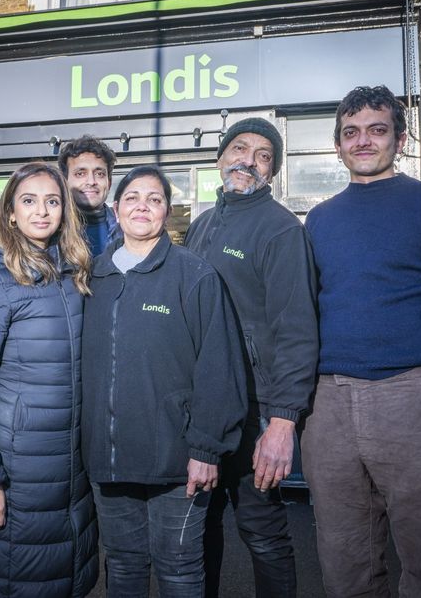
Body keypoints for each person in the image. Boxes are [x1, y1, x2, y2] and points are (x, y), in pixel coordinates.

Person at [302, 85, 421, 597]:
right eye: (351, 133)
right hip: (330, 406)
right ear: (338, 144)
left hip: (411, 399)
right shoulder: (319, 220)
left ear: (400, 139)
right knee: (345, 567)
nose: (363, 141)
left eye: (376, 130)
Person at [82, 165, 247, 597]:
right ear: (115, 210)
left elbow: (221, 369)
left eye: (154, 199)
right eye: (132, 197)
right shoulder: (90, 279)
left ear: (167, 212)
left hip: (179, 463)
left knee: (179, 570)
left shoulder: (194, 276)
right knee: (122, 567)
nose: (142, 206)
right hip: (109, 460)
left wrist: (207, 449)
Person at [0, 162, 99, 597]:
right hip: (12, 474)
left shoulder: (71, 274)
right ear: (10, 212)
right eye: (29, 201)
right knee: (11, 580)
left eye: (52, 201)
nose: (42, 211)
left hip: (64, 473)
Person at [184, 118, 319, 598]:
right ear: (221, 158)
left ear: (273, 171)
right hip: (204, 408)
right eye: (239, 148)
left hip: (254, 412)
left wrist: (282, 423)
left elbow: (297, 331)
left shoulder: (281, 230)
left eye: (262, 155)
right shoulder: (201, 225)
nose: (247, 159)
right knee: (201, 530)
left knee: (263, 533)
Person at [58, 135, 118, 255]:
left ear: (109, 182)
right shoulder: (53, 232)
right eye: (80, 174)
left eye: (99, 174)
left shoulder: (126, 231)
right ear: (65, 182)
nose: (91, 182)